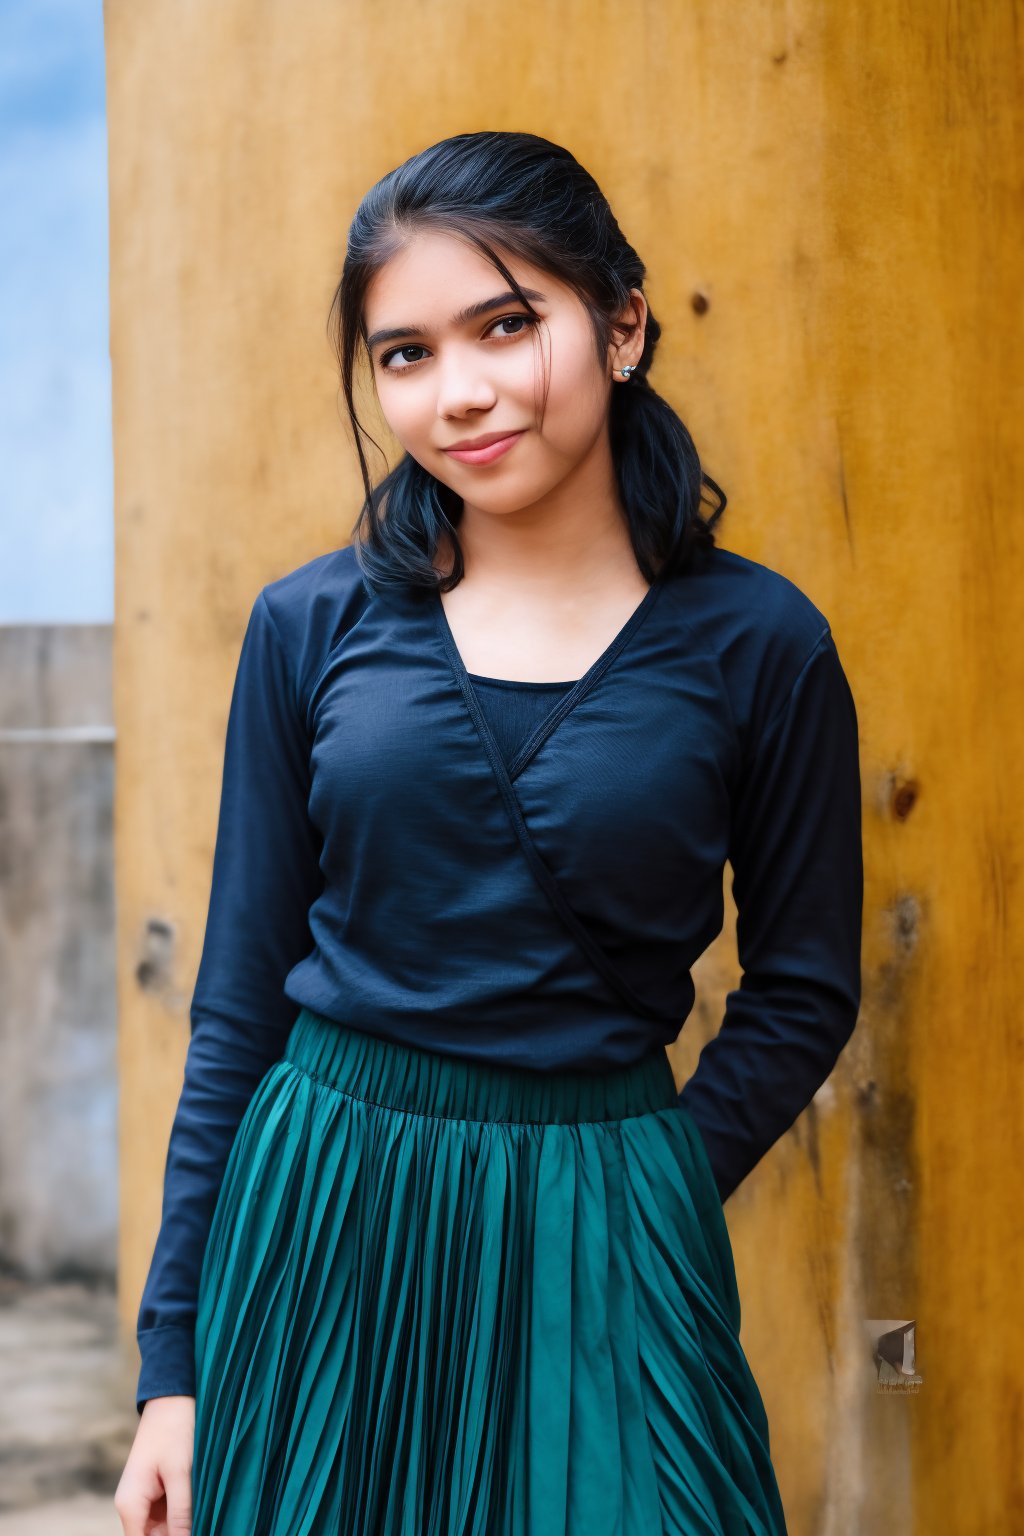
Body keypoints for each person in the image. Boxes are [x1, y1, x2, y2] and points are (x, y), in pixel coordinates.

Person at [115, 129, 863, 1536]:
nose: (459, 393)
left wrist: (648, 1183)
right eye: (403, 353)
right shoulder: (310, 627)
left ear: (621, 326)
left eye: (507, 325)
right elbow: (236, 1010)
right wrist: (173, 1370)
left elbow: (807, 985)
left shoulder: (762, 644)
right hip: (328, 1215)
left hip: (609, 1221)